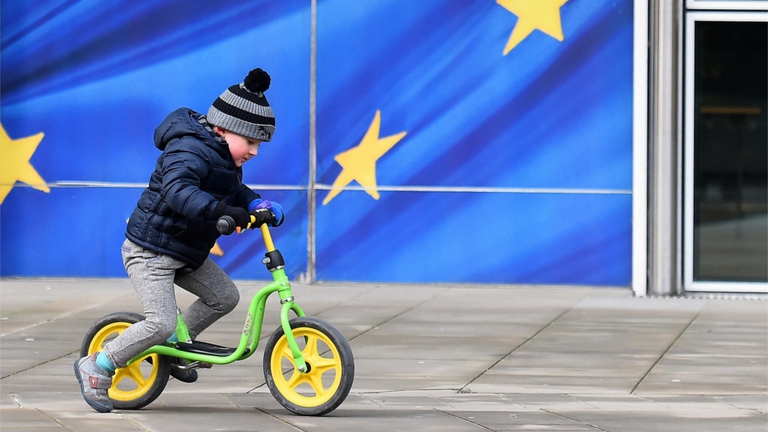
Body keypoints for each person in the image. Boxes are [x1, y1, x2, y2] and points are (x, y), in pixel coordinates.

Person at [74, 68, 284, 413]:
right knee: (160, 321)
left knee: (225, 297)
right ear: (224, 129)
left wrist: (254, 202)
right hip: (151, 251)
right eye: (251, 142)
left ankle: (175, 349)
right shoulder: (187, 150)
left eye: (259, 145)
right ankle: (99, 365)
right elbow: (178, 192)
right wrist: (220, 211)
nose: (255, 152)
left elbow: (233, 189)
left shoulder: (224, 158)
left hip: (184, 251)